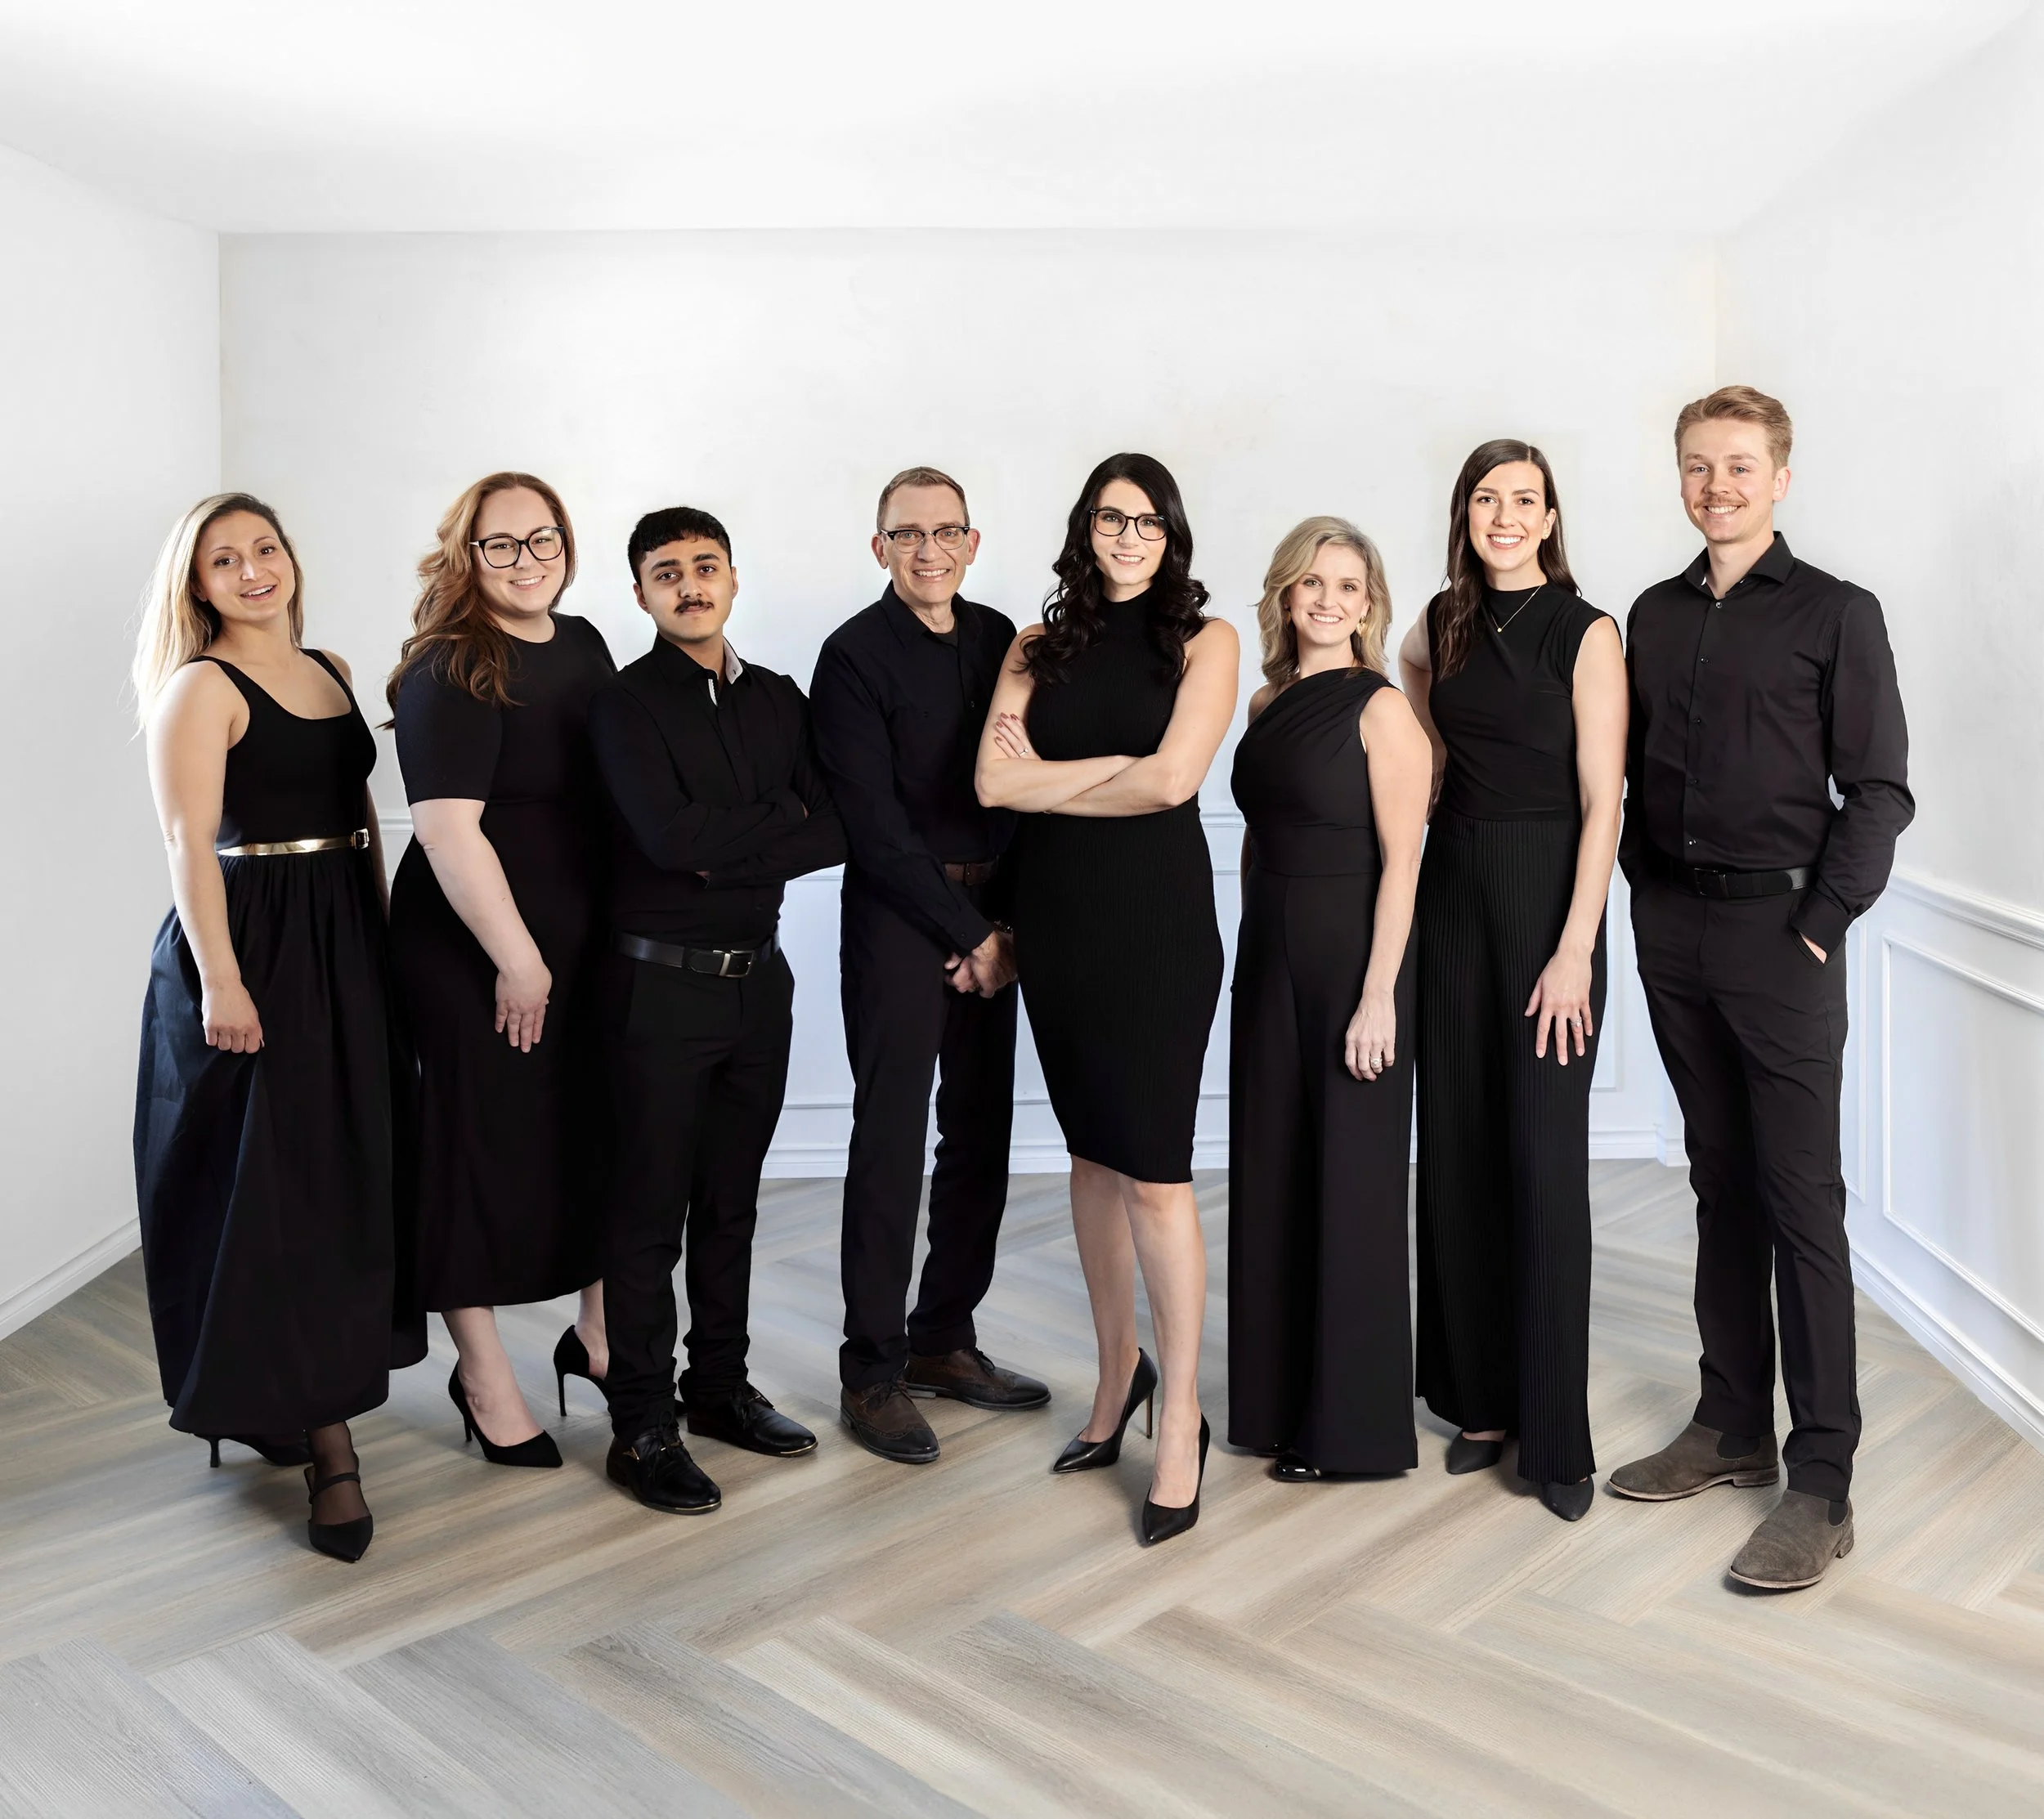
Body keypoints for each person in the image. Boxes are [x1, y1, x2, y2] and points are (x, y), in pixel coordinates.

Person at [1610, 386, 1912, 1588]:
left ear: (1779, 478)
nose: (1716, 484)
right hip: (1673, 927)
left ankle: (1822, 1479)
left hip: (1784, 936)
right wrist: (1642, 884)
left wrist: (1821, 927)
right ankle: (1729, 1425)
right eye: (1696, 465)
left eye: (1738, 466)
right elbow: (1624, 767)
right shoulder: (1651, 611)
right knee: (1718, 1183)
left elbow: (1879, 791)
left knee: (1799, 1200)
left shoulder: (1839, 613)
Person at [133, 492, 424, 1562]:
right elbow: (185, 842)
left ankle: (296, 1392)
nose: (252, 569)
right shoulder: (199, 688)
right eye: (224, 558)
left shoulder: (336, 670)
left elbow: (362, 827)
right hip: (252, 944)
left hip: (344, 935)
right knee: (273, 1192)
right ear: (197, 583)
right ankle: (330, 1450)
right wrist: (224, 982)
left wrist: (383, 945)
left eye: (264, 549)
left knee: (344, 1177)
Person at [976, 452, 1237, 1546]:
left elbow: (1176, 782)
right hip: (1062, 929)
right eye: (1107, 518)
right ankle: (1112, 1380)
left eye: (1145, 520)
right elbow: (993, 784)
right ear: (1083, 529)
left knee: (1158, 1176)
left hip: (1159, 930)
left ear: (1171, 533)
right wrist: (1115, 766)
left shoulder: (1207, 641)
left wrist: (1060, 775)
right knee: (1091, 1158)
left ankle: (1179, 1419)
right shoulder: (1034, 646)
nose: (1126, 535)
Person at [588, 506, 846, 1513]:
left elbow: (834, 828)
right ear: (642, 593)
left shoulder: (781, 698)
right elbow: (666, 838)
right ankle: (641, 1423)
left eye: (705, 567)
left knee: (731, 1201)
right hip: (656, 985)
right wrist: (773, 818)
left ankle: (718, 1386)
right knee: (649, 1212)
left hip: (759, 984)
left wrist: (735, 836)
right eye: (666, 572)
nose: (690, 585)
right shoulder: (623, 705)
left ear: (734, 577)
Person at [1397, 441, 1627, 1524]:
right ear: (1466, 513)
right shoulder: (1435, 628)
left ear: (1548, 518)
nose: (1503, 515)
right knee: (1458, 1156)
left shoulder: (1588, 632)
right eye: (1485, 498)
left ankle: (1557, 1434)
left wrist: (1576, 945)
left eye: (1522, 500)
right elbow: (1423, 749)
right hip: (1451, 898)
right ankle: (1479, 1400)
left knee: (1542, 1169)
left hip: (1548, 903)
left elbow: (1604, 804)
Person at [811, 466, 1048, 1466]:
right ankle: (871, 1369)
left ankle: (943, 1338)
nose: (927, 550)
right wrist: (966, 934)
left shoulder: (1006, 641)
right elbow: (873, 825)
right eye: (906, 535)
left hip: (997, 910)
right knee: (891, 1138)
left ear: (972, 540)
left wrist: (1008, 928)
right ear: (879, 549)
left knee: (981, 1132)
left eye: (945, 531)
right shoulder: (851, 656)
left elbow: (1030, 781)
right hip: (902, 915)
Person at [387, 473, 615, 1469]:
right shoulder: (450, 665)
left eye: (544, 539)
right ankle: (481, 1373)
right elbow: (445, 830)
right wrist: (517, 958)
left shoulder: (584, 642)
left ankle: (603, 1334)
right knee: (473, 1149)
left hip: (580, 935)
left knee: (599, 1130)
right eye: (502, 545)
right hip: (473, 945)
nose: (529, 561)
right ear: (465, 556)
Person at [1229, 518, 1430, 1482]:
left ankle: (1352, 1432)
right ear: (1284, 593)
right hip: (1268, 960)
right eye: (1311, 581)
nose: (1326, 598)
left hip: (1353, 961)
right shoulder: (1266, 699)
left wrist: (1378, 997)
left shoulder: (1381, 708)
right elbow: (1257, 838)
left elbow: (1403, 862)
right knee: (1274, 1175)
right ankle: (1273, 1406)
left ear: (1367, 603)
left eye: (1347, 585)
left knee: (1350, 1185)